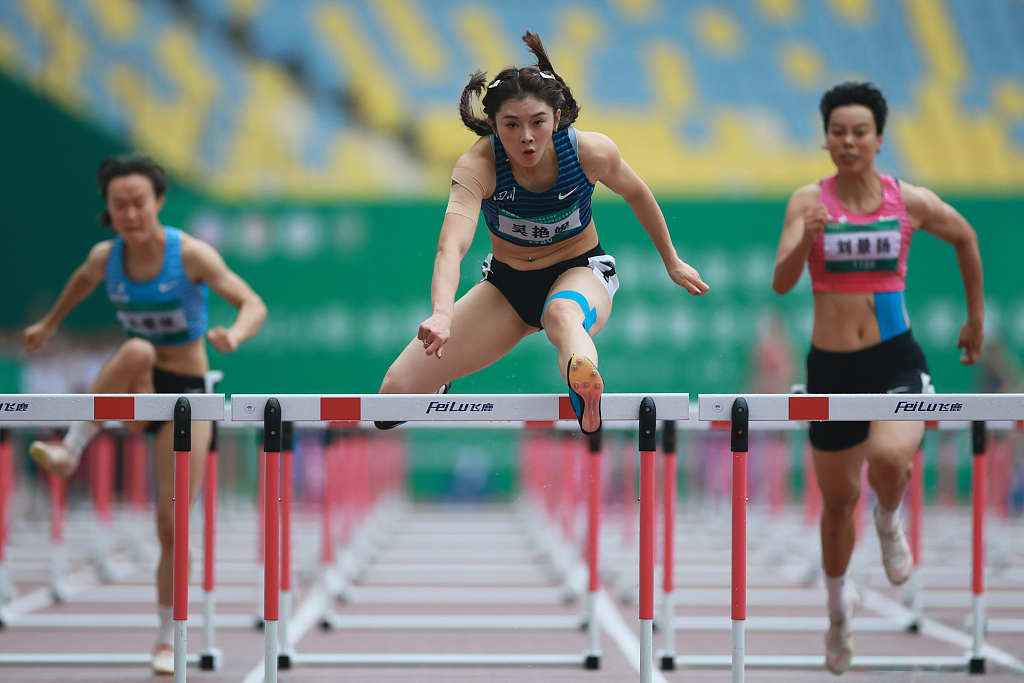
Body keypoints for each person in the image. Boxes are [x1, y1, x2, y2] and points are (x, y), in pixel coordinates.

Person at [376, 30, 708, 432]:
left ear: (557, 116)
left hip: (579, 271)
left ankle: (584, 390)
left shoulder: (589, 151)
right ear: (493, 125)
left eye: (537, 122)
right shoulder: (477, 167)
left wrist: (672, 260)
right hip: (507, 287)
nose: (526, 137)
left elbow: (637, 194)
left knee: (561, 313)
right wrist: (443, 315)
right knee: (392, 398)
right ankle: (440, 382)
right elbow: (451, 246)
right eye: (511, 125)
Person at [24, 154, 267, 674]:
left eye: (139, 202)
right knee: (135, 349)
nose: (131, 214)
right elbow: (79, 284)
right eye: (120, 206)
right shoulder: (103, 258)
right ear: (108, 210)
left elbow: (253, 303)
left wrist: (234, 335)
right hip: (140, 389)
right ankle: (72, 448)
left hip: (189, 397)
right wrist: (48, 324)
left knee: (170, 524)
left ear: (158, 201)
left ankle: (165, 637)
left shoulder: (191, 254)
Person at [771, 82, 984, 674]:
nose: (849, 142)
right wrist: (807, 238)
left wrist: (975, 319)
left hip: (894, 359)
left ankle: (889, 519)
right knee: (838, 502)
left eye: (860, 132)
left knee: (890, 459)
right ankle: (839, 612)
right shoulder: (807, 201)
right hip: (830, 366)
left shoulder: (906, 200)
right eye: (838, 132)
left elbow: (966, 238)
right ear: (826, 139)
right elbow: (782, 281)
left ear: (879, 138)